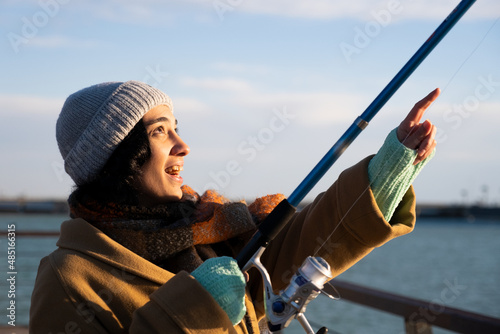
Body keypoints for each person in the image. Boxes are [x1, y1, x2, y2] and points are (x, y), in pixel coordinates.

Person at [29, 80, 438, 333]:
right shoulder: (69, 278)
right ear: (117, 159)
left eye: (176, 128)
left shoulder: (211, 227)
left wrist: (392, 166)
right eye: (159, 132)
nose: (182, 145)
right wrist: (195, 310)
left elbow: (307, 244)